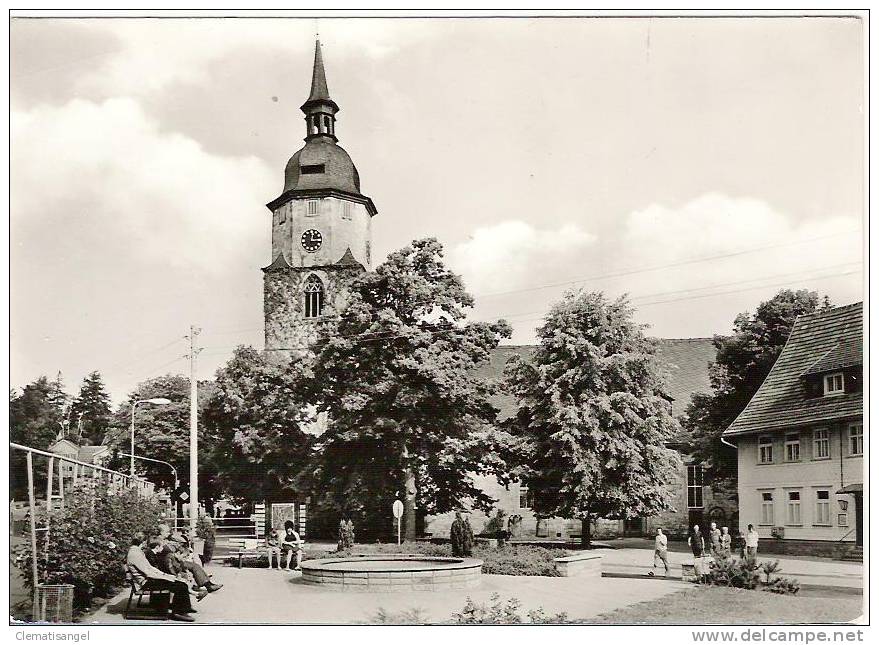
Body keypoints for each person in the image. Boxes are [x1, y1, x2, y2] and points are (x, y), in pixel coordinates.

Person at [126, 533, 205, 622]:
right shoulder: (135, 554)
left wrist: (165, 575)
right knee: (180, 586)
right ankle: (178, 612)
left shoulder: (136, 552)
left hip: (150, 580)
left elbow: (151, 568)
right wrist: (166, 578)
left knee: (180, 583)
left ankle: (184, 608)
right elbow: (148, 573)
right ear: (143, 542)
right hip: (146, 582)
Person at [156, 523, 222, 593]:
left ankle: (208, 584)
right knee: (194, 566)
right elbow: (168, 552)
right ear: (161, 532)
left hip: (173, 561)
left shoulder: (165, 540)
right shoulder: (159, 541)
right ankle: (208, 585)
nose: (169, 533)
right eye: (167, 532)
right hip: (171, 564)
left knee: (195, 565)